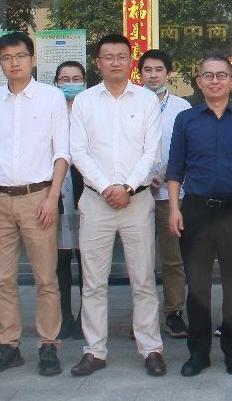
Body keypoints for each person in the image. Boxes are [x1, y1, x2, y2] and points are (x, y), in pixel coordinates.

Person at [68, 34, 167, 377]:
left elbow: (152, 151)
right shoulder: (84, 101)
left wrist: (126, 187)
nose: (115, 62)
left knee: (143, 279)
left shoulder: (147, 100)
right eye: (108, 57)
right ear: (98, 62)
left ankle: (151, 349)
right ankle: (94, 351)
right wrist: (107, 187)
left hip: (136, 201)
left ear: (130, 61)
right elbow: (78, 151)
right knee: (94, 282)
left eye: (121, 56)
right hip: (96, 202)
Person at [0, 32, 70, 377]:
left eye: (20, 56)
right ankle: (8, 345)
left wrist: (52, 196)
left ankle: (48, 345)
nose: (14, 63)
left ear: (32, 59)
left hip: (37, 198)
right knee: (2, 279)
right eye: (7, 57)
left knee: (46, 278)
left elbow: (62, 152)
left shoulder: (51, 97)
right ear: (0, 63)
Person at [166, 56, 232, 376]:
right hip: (196, 210)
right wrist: (175, 209)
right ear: (199, 81)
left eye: (222, 75)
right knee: (198, 285)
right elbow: (175, 168)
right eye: (208, 75)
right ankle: (199, 353)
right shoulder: (186, 119)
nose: (215, 81)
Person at [140, 49, 191, 340]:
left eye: (159, 70)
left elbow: (186, 148)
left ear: (168, 74)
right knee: (141, 261)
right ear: (140, 73)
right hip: (136, 194)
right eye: (147, 70)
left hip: (171, 196)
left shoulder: (182, 107)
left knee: (173, 259)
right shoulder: (130, 102)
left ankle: (174, 313)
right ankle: (143, 318)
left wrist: (164, 175)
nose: (153, 75)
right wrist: (144, 178)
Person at [54, 60, 87, 340]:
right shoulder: (50, 111)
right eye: (65, 79)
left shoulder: (91, 109)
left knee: (87, 258)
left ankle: (86, 317)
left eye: (76, 79)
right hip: (58, 189)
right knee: (60, 258)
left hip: (86, 187)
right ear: (56, 83)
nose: (71, 84)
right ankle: (64, 316)